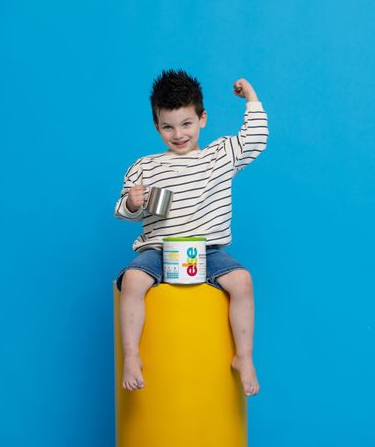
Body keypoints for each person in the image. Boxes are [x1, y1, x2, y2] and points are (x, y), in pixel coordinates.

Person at [114, 69, 268, 396]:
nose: (178, 134)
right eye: (168, 127)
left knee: (242, 281)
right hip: (158, 250)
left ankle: (244, 357)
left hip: (208, 251)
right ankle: (131, 356)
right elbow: (124, 212)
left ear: (202, 119)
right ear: (157, 126)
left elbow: (255, 138)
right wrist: (132, 201)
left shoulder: (220, 156)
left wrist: (251, 97)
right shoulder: (145, 166)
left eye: (186, 124)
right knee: (133, 280)